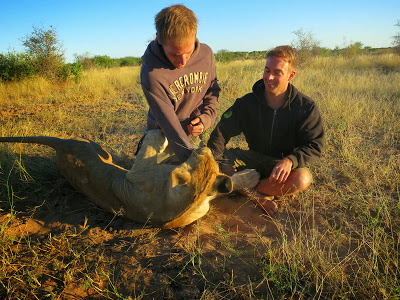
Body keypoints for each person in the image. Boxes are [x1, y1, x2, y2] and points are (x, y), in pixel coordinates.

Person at [207, 45, 324, 216]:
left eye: (277, 72)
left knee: (303, 178)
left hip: (279, 167)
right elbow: (220, 133)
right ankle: (258, 196)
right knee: (218, 159)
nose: (269, 77)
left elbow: (315, 145)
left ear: (291, 75)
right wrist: (214, 161)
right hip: (251, 159)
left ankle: (245, 188)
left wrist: (291, 160)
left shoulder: (305, 107)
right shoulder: (247, 103)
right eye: (267, 70)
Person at [140, 4, 220, 163]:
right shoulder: (151, 73)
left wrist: (206, 119)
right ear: (159, 38)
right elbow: (168, 124)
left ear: (195, 34)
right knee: (156, 182)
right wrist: (191, 162)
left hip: (194, 132)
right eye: (175, 54)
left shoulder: (206, 54)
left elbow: (212, 90)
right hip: (162, 135)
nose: (183, 61)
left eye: (188, 53)